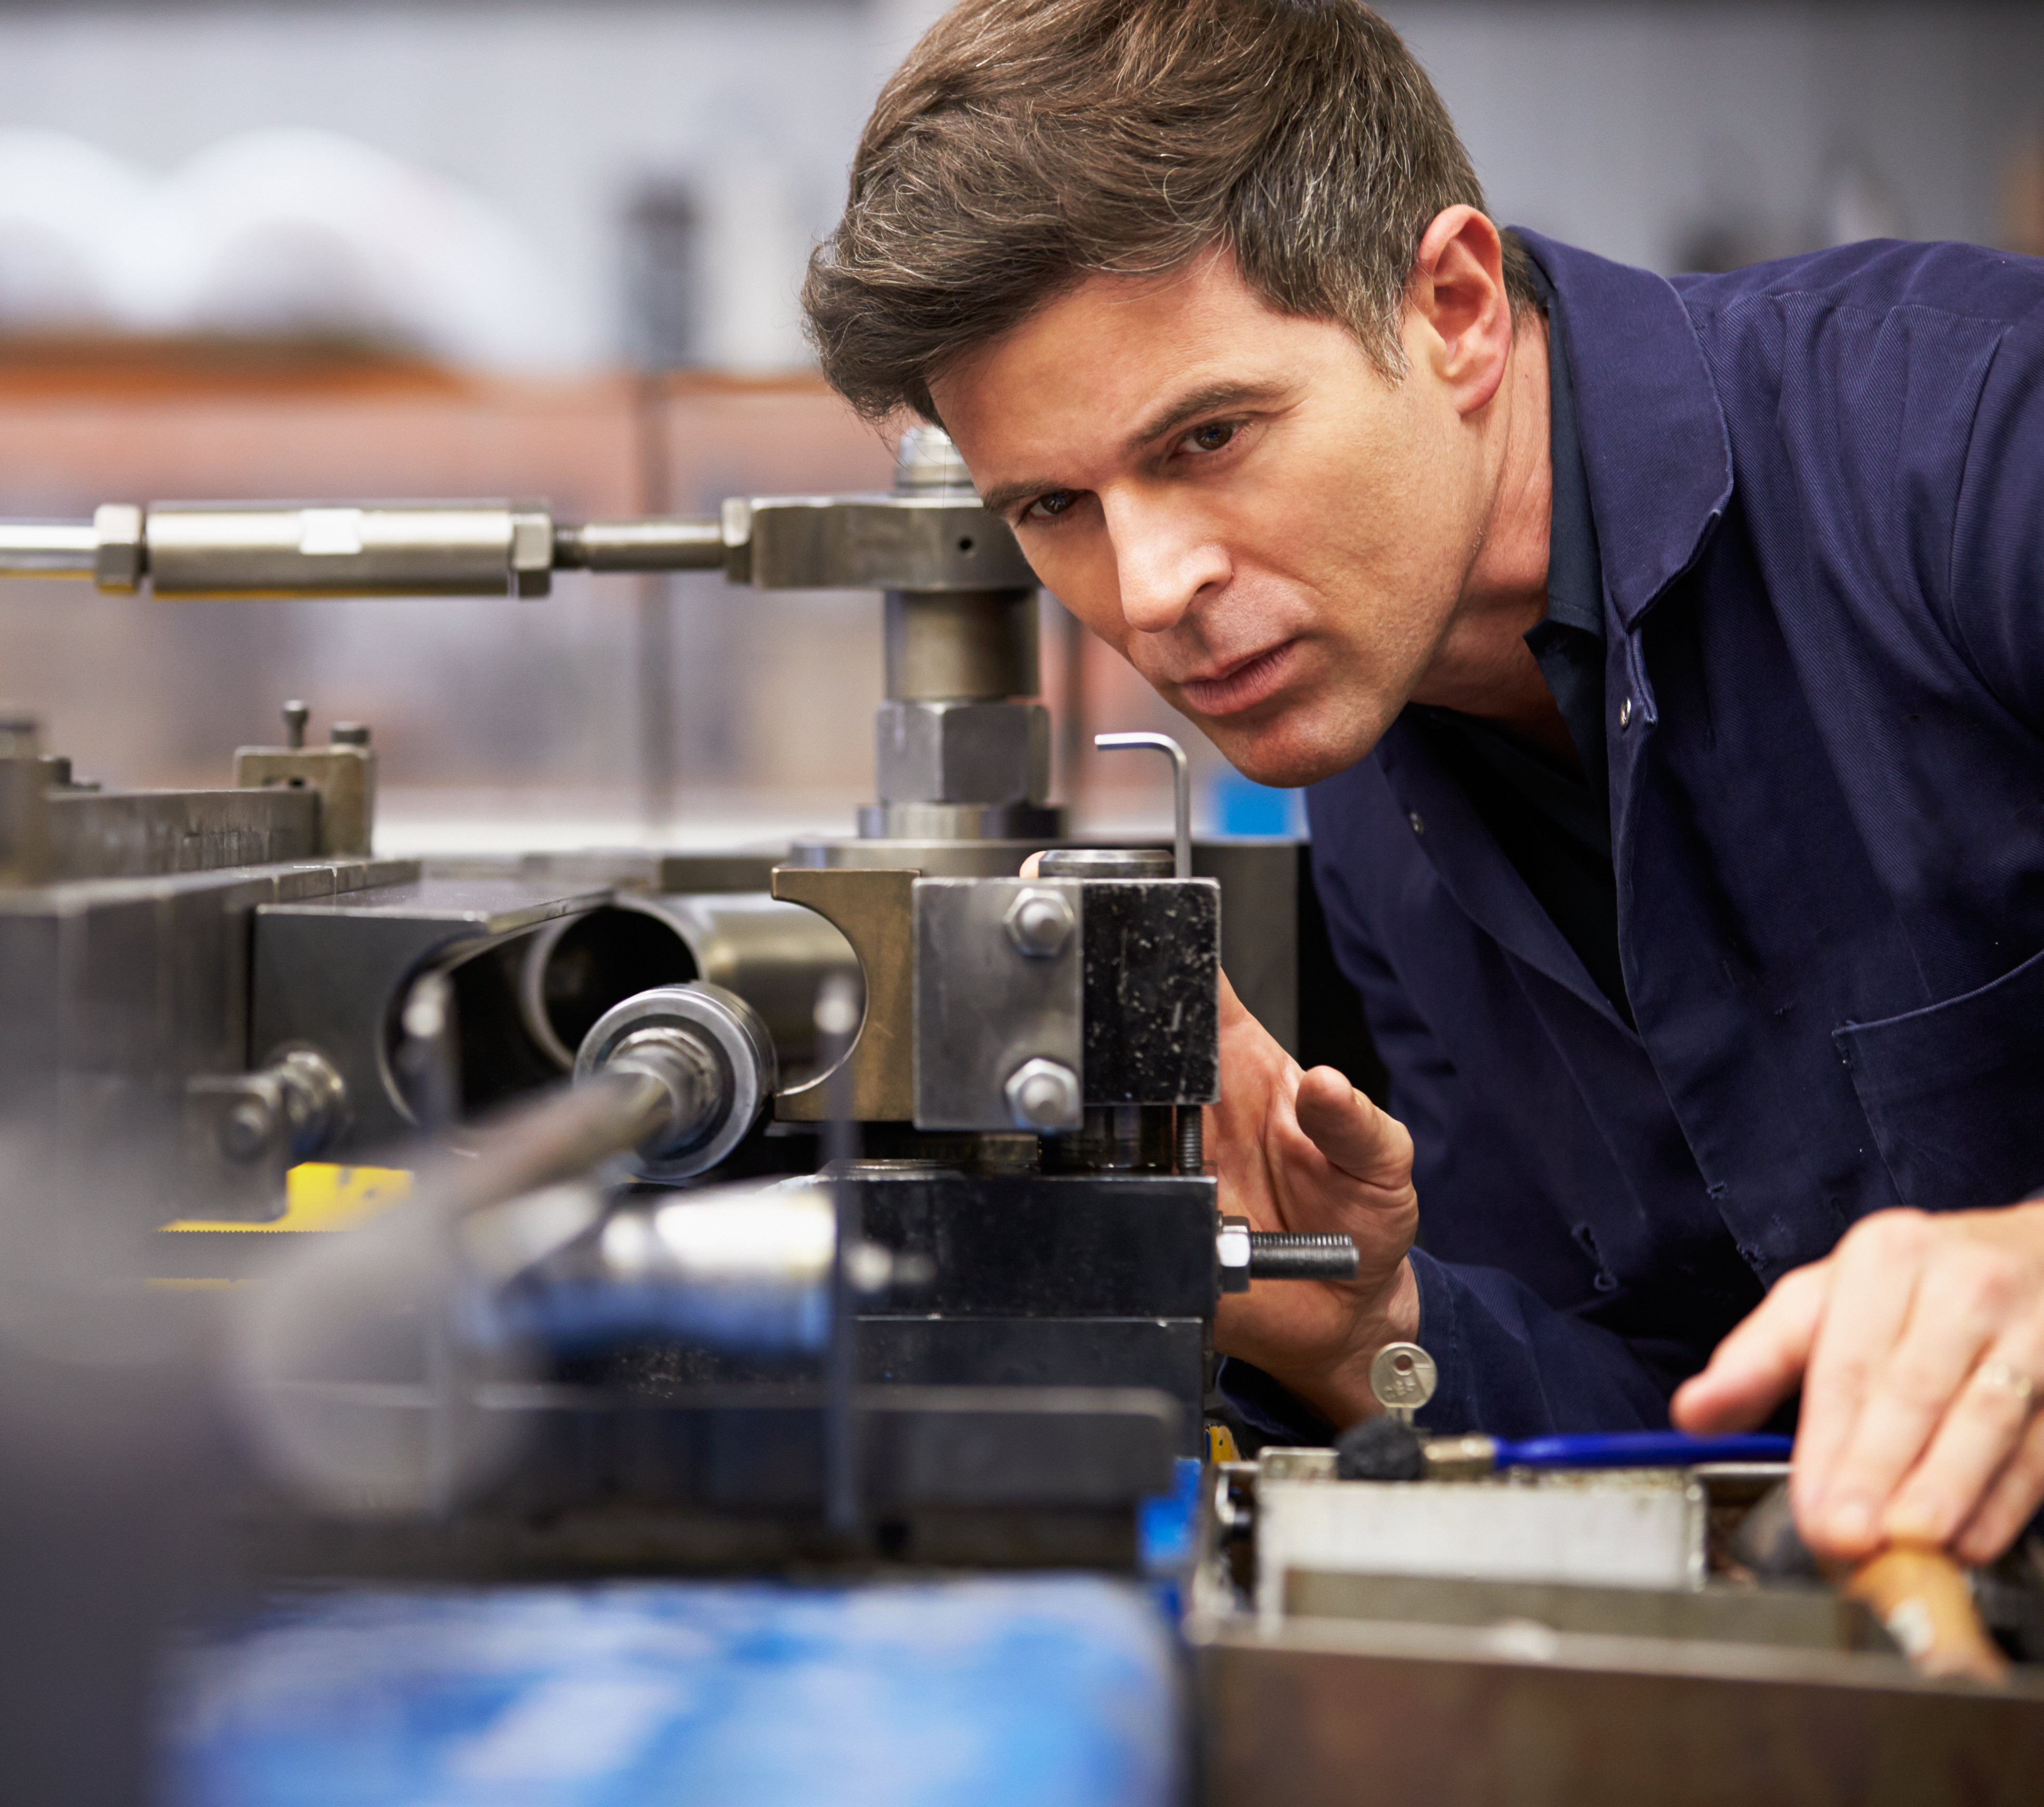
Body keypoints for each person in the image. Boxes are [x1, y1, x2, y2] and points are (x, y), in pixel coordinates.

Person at [802, 0, 2044, 1570]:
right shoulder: (1370, 805)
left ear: (1452, 305)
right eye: (1055, 504)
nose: (1153, 585)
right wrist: (1382, 1326)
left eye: (1206, 436)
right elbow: (1691, 1441)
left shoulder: (1978, 448)